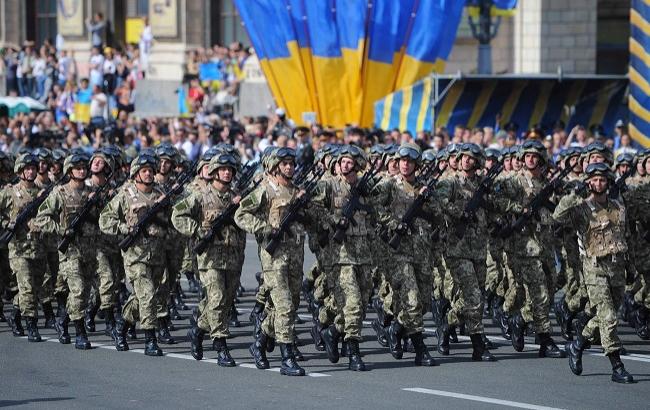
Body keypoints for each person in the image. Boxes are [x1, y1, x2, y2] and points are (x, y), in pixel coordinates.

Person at [554, 162, 634, 383]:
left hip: (617, 268)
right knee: (608, 316)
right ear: (588, 182)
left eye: (602, 180)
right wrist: (573, 195)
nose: (598, 184)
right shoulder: (581, 208)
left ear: (608, 182)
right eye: (594, 180)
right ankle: (617, 366)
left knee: (604, 317)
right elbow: (557, 216)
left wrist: (632, 267)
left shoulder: (618, 207)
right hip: (594, 268)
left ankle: (578, 344)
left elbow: (626, 238)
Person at [235, 147, 310, 376]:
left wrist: (306, 203)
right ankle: (286, 358)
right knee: (284, 306)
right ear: (275, 166)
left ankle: (259, 342)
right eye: (284, 163)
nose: (289, 167)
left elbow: (310, 219)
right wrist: (265, 228)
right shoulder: (265, 190)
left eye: (291, 163)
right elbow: (241, 214)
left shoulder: (297, 190)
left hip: (296, 255)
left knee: (289, 306)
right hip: (274, 257)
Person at [172, 152, 244, 366]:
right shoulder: (201, 196)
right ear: (213, 173)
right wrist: (197, 230)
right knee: (217, 298)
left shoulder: (235, 196)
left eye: (230, 170)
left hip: (232, 256)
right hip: (210, 258)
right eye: (223, 169)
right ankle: (220, 345)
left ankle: (198, 330)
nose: (227, 173)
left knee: (226, 301)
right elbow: (178, 214)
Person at [99, 153, 168, 356]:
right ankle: (150, 339)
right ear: (136, 173)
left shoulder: (159, 194)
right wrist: (124, 227)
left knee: (143, 297)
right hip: (135, 255)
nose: (148, 174)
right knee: (147, 296)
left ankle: (121, 327)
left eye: (150, 171)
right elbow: (105, 220)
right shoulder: (125, 195)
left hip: (156, 254)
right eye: (144, 171)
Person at [32, 152, 96, 350]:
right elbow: (42, 218)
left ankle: (63, 320)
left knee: (85, 292)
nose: (82, 170)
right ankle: (80, 333)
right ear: (69, 171)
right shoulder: (60, 193)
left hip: (90, 250)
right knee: (77, 290)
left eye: (84, 167)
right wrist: (60, 230)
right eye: (78, 168)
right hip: (69, 252)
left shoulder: (90, 192)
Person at [0, 153, 47, 341]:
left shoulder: (43, 192)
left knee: (33, 288)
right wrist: (6, 223)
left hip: (38, 247)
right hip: (18, 248)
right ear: (19, 171)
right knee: (26, 287)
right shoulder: (9, 192)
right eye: (27, 168)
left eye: (33, 168)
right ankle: (32, 325)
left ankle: (16, 313)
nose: (30, 171)